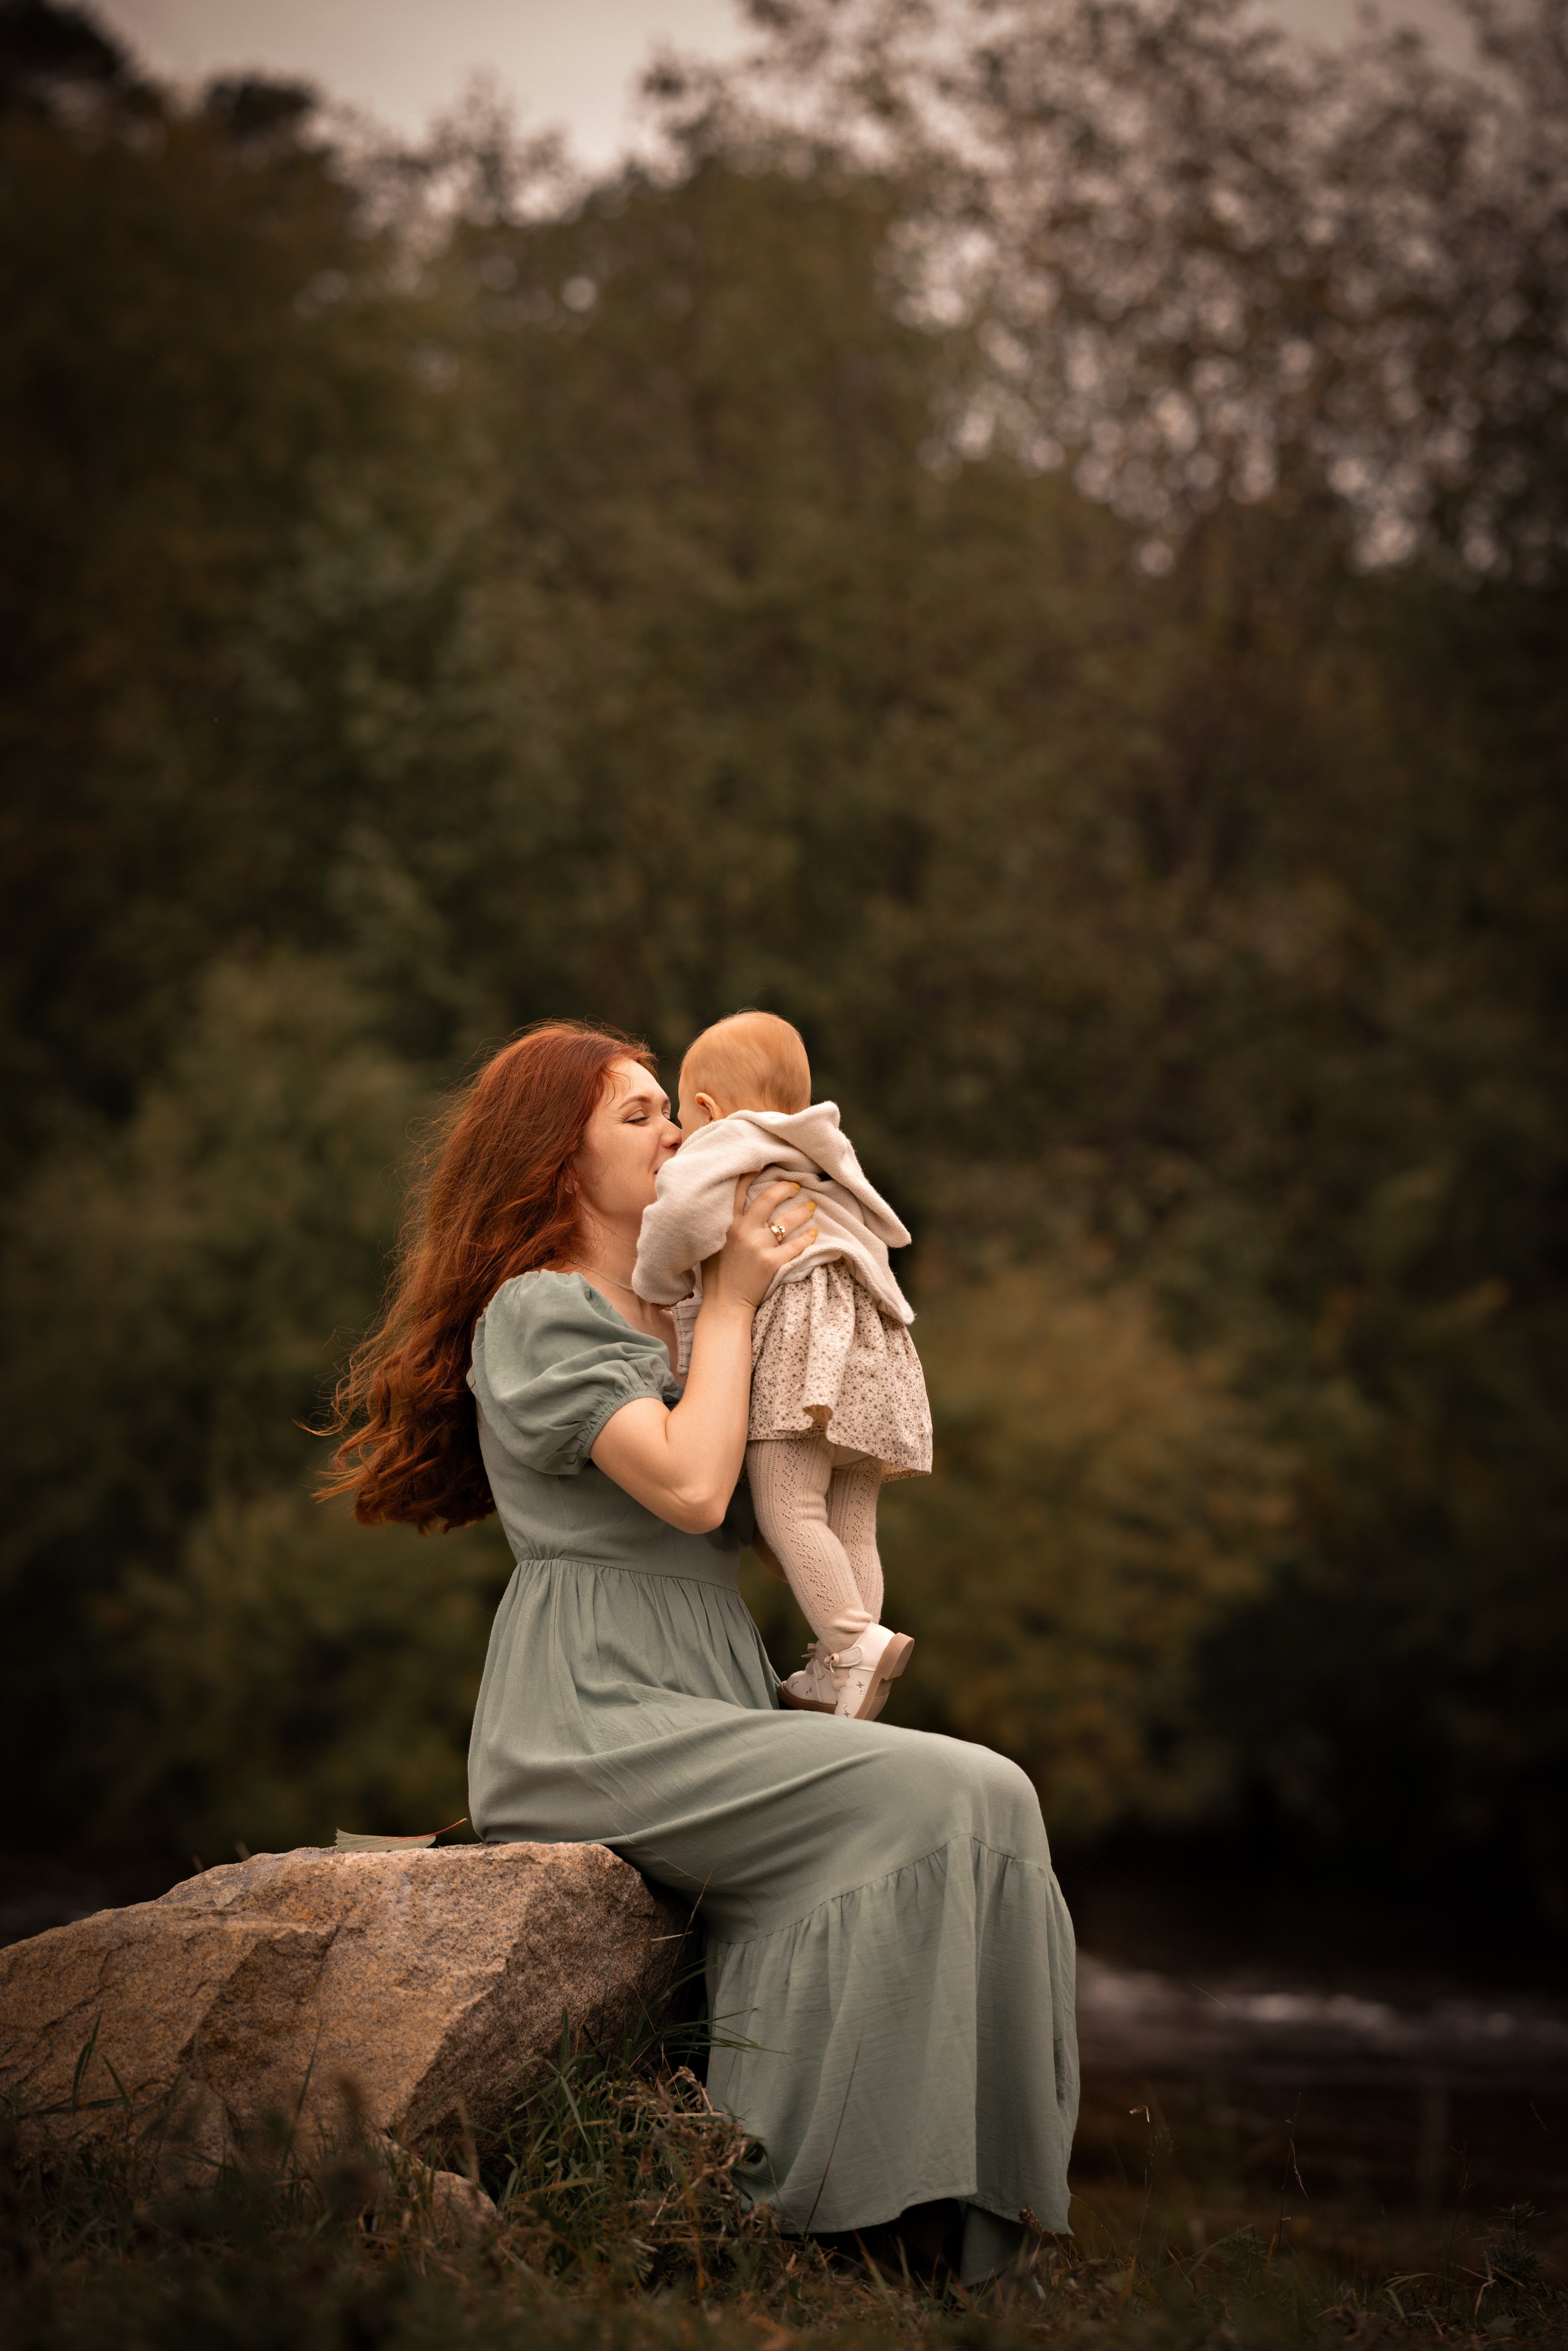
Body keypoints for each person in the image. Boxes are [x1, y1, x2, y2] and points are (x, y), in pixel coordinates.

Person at [324, 1020, 1077, 2287]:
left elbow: (780, 1484)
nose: (676, 1131)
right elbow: (684, 1486)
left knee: (987, 1791)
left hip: (706, 1685)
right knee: (950, 1787)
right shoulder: (538, 1312)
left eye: (667, 1109)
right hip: (590, 1711)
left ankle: (934, 2219)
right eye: (637, 1114)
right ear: (554, 1154)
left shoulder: (677, 1309)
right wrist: (727, 1301)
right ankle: (817, 2212)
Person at [633, 1010, 930, 1722]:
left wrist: (652, 1280)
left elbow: (675, 1219)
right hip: (872, 1344)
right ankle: (840, 1672)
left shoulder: (733, 1142)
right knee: (851, 1517)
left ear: (706, 1108)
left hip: (804, 1344)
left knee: (787, 1504)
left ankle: (852, 1642)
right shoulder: (822, 1152)